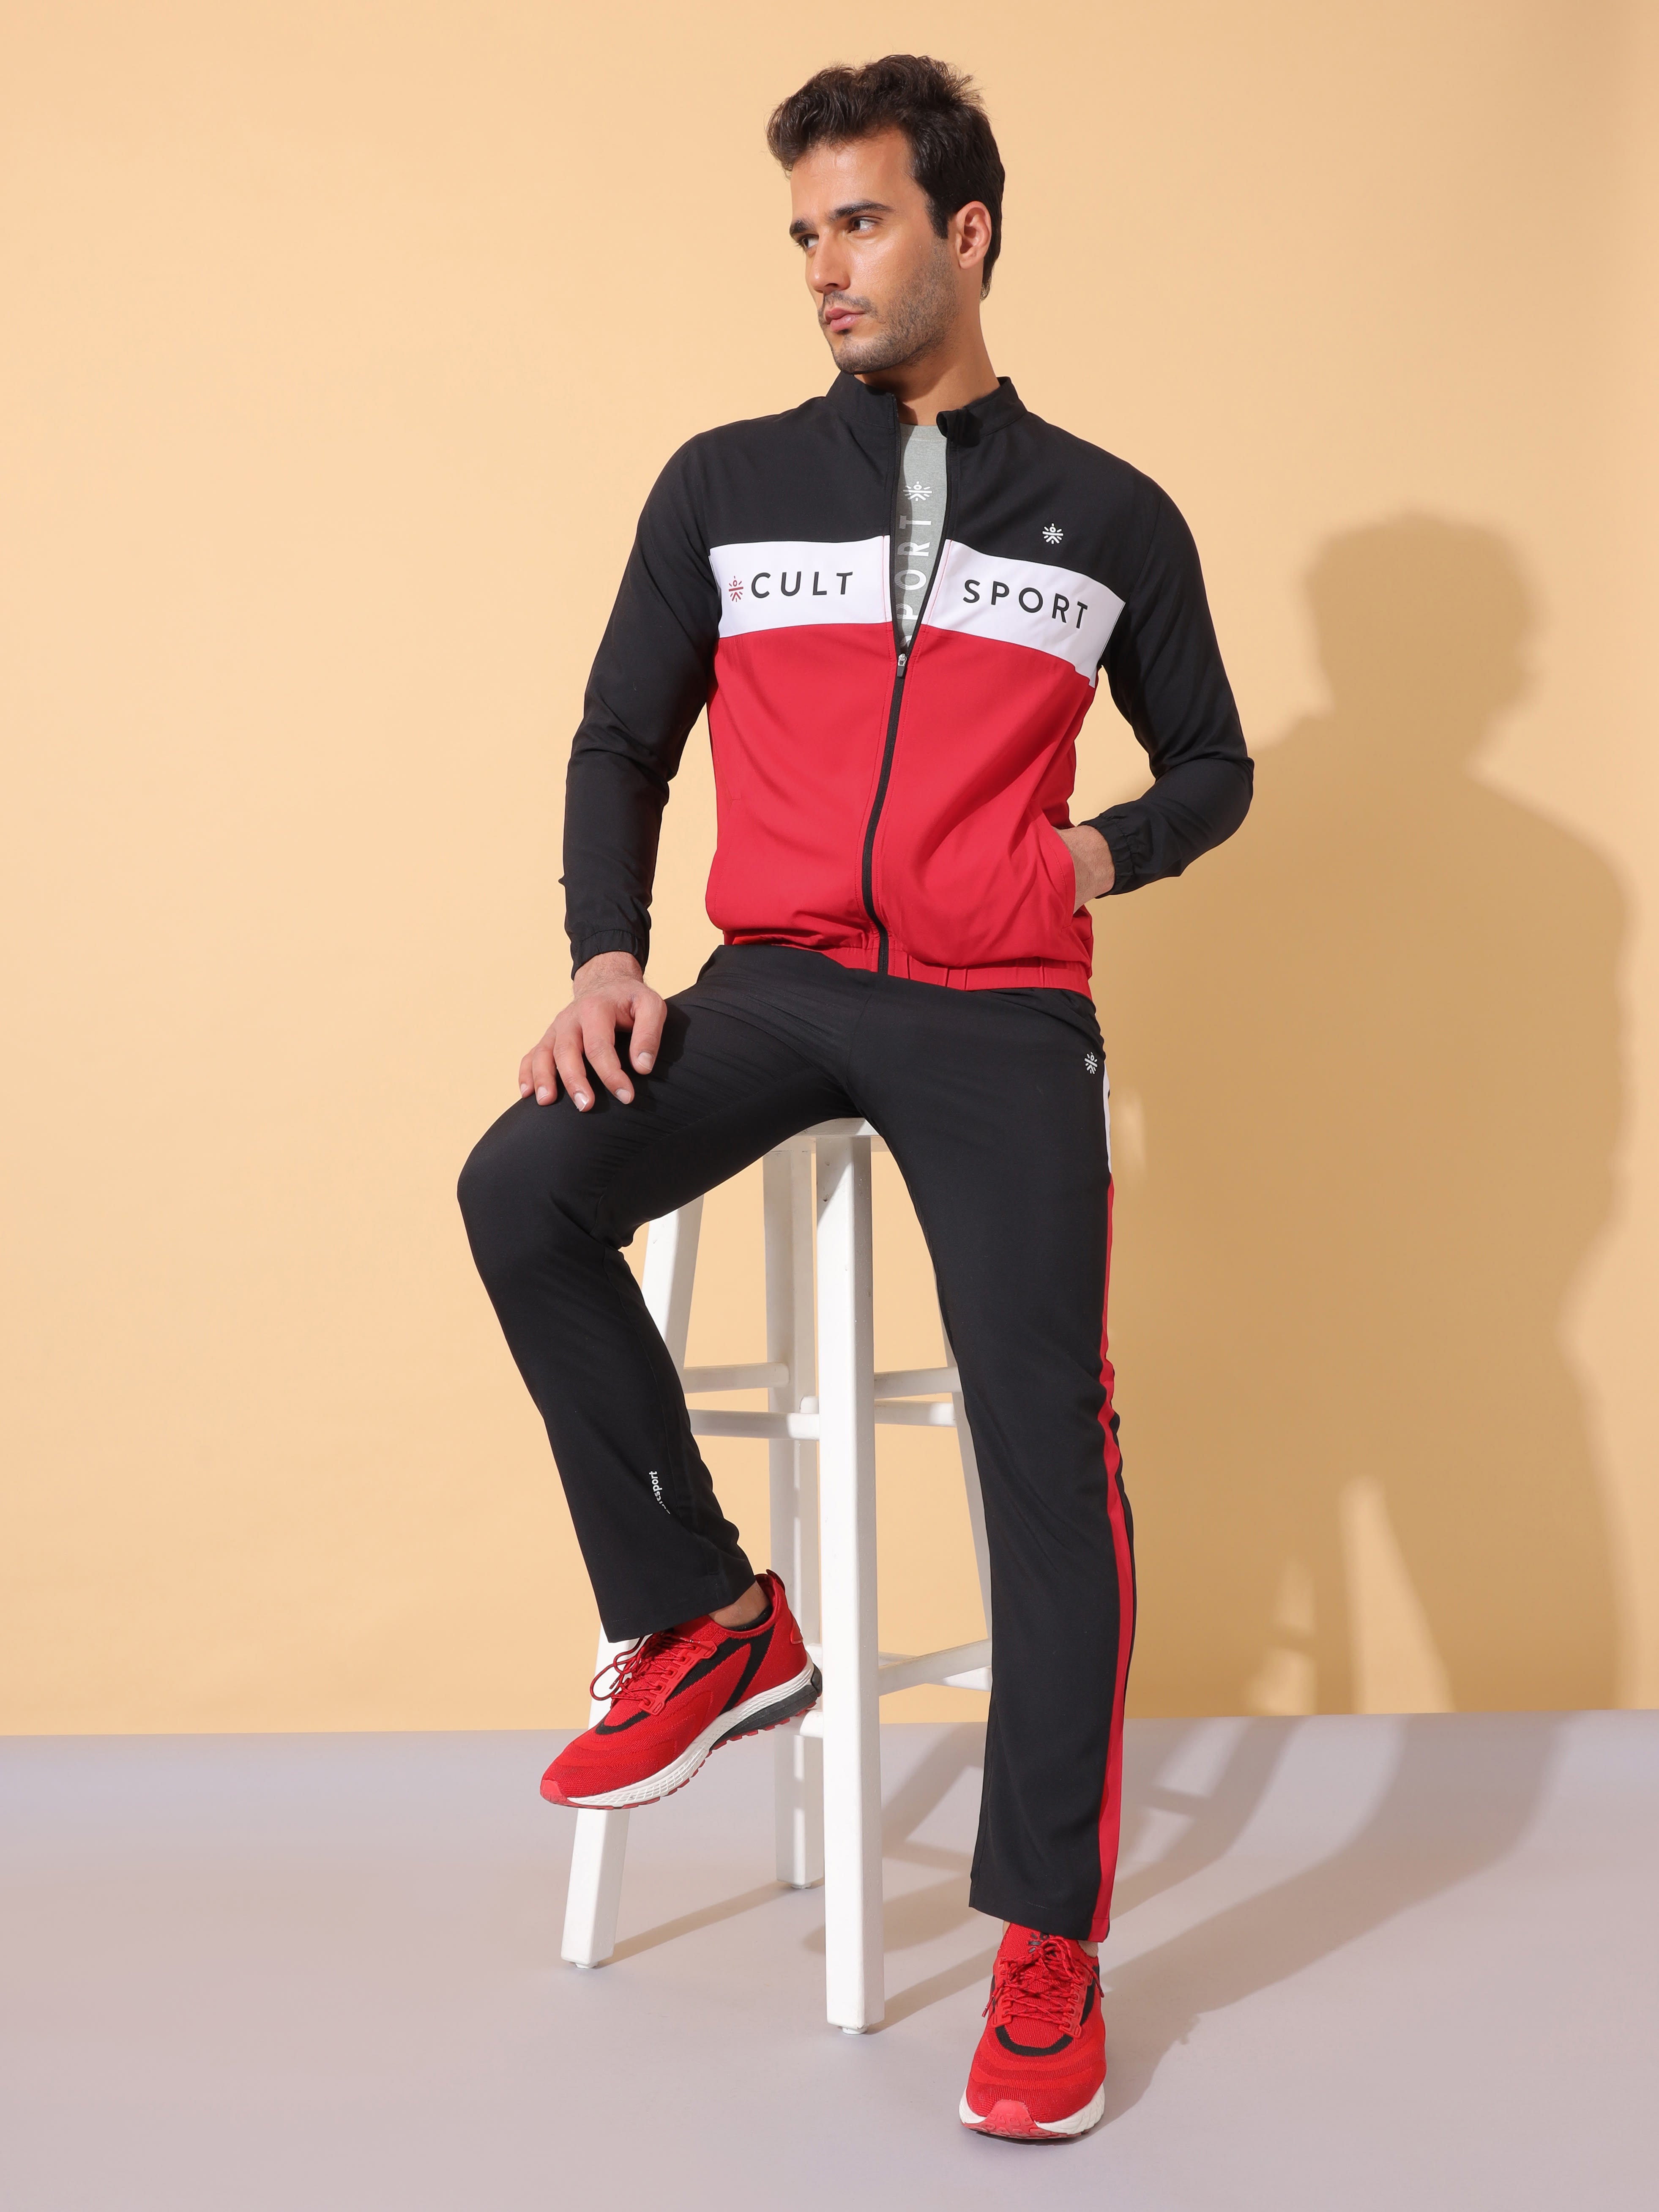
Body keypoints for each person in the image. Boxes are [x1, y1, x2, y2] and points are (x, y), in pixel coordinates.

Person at [458, 54, 1251, 2141]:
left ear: (963, 233)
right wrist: (606, 958)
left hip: (1002, 1015)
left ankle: (1044, 1939)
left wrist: (1087, 861)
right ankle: (706, 1618)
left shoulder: (1110, 515)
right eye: (805, 231)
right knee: (520, 1186)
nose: (826, 265)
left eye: (863, 222)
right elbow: (622, 735)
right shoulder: (722, 486)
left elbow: (1213, 768)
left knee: (1043, 1444)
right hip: (777, 986)